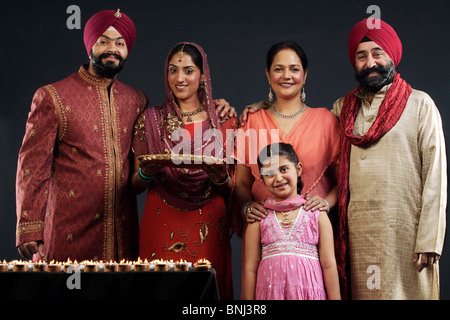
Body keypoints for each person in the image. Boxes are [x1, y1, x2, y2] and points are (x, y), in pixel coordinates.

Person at [15, 9, 148, 262]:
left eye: (120, 43)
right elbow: (32, 166)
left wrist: (212, 103)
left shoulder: (137, 100)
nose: (113, 49)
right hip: (67, 230)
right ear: (90, 46)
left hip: (122, 233)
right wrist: (30, 226)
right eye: (104, 41)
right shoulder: (53, 96)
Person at [333, 18, 447, 300]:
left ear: (391, 56)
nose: (370, 62)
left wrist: (430, 238)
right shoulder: (342, 109)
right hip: (358, 236)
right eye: (361, 56)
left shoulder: (420, 104)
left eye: (377, 53)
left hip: (406, 236)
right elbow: (305, 129)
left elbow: (436, 174)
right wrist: (263, 104)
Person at [131, 42, 239, 299]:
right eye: (173, 70)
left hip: (210, 222)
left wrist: (220, 176)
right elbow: (135, 185)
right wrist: (148, 172)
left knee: (205, 294)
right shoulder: (151, 118)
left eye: (188, 70)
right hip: (161, 218)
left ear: (202, 76)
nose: (179, 79)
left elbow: (233, 188)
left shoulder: (224, 119)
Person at [235, 41, 340, 222]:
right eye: (278, 69)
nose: (286, 76)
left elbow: (343, 179)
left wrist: (327, 203)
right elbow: (241, 183)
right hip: (264, 231)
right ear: (268, 75)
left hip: (314, 231)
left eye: (294, 69)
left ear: (305, 75)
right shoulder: (252, 122)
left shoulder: (326, 121)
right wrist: (247, 206)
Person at [243, 142, 340, 300]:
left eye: (283, 169)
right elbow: (250, 269)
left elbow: (329, 265)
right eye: (269, 174)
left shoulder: (316, 214)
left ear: (298, 169)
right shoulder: (259, 218)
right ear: (262, 179)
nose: (278, 178)